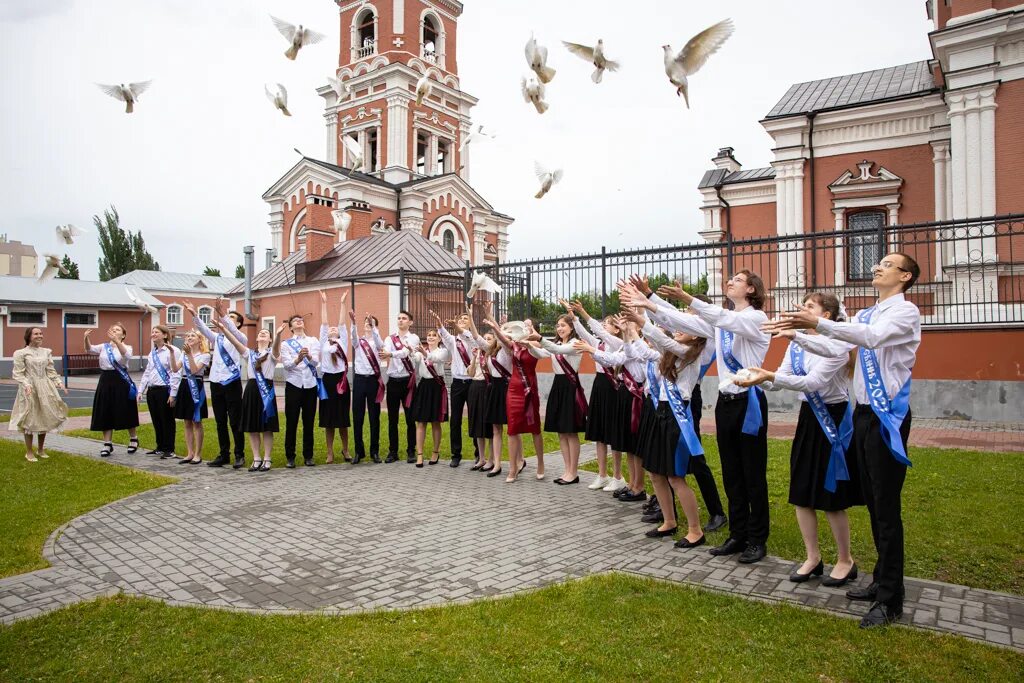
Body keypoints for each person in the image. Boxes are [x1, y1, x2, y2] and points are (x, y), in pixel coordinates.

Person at [774, 253, 921, 629]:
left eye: (887, 264)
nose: (877, 266)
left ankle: (891, 600)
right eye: (879, 262)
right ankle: (881, 582)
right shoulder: (868, 314)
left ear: (904, 276)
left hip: (887, 418)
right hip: (864, 417)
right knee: (873, 504)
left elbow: (869, 339)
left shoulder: (904, 313)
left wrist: (820, 322)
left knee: (886, 509)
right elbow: (837, 349)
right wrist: (801, 335)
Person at [621, 270, 771, 564]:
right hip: (727, 402)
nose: (730, 282)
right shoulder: (720, 320)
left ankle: (757, 538)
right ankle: (738, 534)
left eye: (737, 280)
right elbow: (683, 322)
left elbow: (722, 319)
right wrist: (650, 300)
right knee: (731, 472)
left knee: (752, 474)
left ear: (752, 289)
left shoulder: (755, 318)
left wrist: (687, 298)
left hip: (749, 402)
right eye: (731, 279)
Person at [738, 291, 862, 586]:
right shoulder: (795, 346)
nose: (802, 309)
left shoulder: (837, 345)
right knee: (802, 492)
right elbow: (781, 377)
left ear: (827, 316)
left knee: (832, 497)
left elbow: (813, 382)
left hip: (833, 419)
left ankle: (846, 560)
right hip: (809, 419)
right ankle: (813, 557)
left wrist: (769, 376)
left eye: (809, 306)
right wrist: (757, 378)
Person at [627, 282, 727, 532]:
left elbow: (668, 334)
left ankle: (715, 511)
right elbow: (666, 326)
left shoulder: (707, 338)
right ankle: (667, 511)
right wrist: (645, 301)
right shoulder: (680, 339)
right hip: (664, 402)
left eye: (688, 319)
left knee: (691, 460)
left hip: (685, 402)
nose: (680, 324)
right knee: (661, 464)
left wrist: (644, 314)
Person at [621, 308, 707, 548]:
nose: (679, 330)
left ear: (697, 336)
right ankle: (669, 520)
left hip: (677, 417)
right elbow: (649, 349)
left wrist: (641, 320)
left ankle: (695, 530)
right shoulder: (669, 353)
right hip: (661, 412)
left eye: (686, 328)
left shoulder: (690, 353)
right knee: (655, 472)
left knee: (675, 476)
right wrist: (632, 330)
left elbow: (664, 340)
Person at [563, 300, 626, 492]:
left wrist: (583, 311)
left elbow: (599, 331)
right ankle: (602, 475)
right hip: (599, 385)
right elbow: (584, 333)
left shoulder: (618, 343)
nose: (605, 326)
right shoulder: (598, 343)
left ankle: (618, 476)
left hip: (613, 388)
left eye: (608, 323)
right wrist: (574, 316)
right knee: (599, 433)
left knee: (613, 433)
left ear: (616, 330)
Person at [184, 299, 246, 469]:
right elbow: (202, 329)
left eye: (233, 317)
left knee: (235, 420)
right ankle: (223, 454)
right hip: (216, 382)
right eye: (229, 316)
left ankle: (239, 454)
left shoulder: (241, 337)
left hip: (232, 382)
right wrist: (194, 314)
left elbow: (232, 330)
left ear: (239, 323)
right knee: (220, 421)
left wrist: (223, 314)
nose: (229, 318)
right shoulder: (217, 338)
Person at [220, 318, 286, 472]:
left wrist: (277, 335)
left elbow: (276, 349)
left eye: (266, 333)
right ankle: (256, 458)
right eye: (261, 333)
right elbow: (236, 343)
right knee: (252, 426)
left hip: (266, 390)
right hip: (251, 389)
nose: (263, 334)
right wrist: (224, 329)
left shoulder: (272, 353)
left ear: (269, 339)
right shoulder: (249, 353)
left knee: (267, 426)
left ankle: (267, 459)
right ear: (256, 338)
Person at [528, 314, 587, 485]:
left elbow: (558, 351)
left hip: (570, 387)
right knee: (561, 431)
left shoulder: (575, 343)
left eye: (563, 325)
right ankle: (567, 470)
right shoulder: (558, 344)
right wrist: (528, 346)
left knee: (571, 430)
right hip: (558, 385)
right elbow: (541, 353)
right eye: (557, 325)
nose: (559, 328)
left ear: (571, 327)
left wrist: (539, 338)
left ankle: (574, 472)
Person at [483, 314, 540, 483]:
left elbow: (545, 350)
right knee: (511, 428)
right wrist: (495, 324)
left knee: (530, 426)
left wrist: (532, 337)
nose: (525, 328)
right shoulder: (512, 345)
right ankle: (510, 467)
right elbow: (501, 338)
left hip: (528, 386)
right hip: (512, 389)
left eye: (529, 325)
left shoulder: (535, 345)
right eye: (524, 325)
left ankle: (534, 463)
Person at [10, 327, 69, 461]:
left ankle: (41, 449)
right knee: (30, 418)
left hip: (45, 387)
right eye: (36, 334)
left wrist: (59, 383)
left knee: (44, 416)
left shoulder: (46, 352)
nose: (39, 336)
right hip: (29, 388)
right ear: (29, 336)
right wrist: (26, 384)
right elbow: (18, 373)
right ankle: (29, 451)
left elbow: (50, 370)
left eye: (41, 333)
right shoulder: (21, 353)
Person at [466, 304, 510, 477]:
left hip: (505, 388)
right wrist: (471, 317)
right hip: (493, 389)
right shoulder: (489, 351)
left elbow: (503, 339)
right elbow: (476, 336)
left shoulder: (507, 350)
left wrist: (493, 320)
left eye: (498, 334)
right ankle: (495, 463)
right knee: (495, 428)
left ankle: (515, 461)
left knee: (510, 428)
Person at [85, 323, 139, 458]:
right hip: (105, 380)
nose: (114, 331)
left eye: (118, 330)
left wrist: (116, 342)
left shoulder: (127, 347)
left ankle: (133, 438)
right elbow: (89, 349)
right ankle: (107, 443)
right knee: (105, 409)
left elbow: (125, 356)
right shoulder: (104, 347)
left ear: (123, 335)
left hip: (121, 380)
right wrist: (86, 338)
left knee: (125, 409)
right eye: (113, 329)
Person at [279, 312, 323, 468]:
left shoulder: (313, 341)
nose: (299, 322)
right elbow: (287, 365)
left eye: (300, 320)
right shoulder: (286, 344)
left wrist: (309, 356)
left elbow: (317, 362)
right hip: (294, 385)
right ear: (291, 327)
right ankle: (290, 457)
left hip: (310, 385)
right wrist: (298, 358)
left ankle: (308, 456)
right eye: (295, 321)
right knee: (291, 422)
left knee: (309, 422)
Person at [438, 311, 480, 467]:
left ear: (470, 323)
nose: (462, 320)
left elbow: (467, 337)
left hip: (472, 382)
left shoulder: (472, 338)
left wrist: (456, 327)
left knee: (474, 417)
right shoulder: (453, 341)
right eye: (460, 319)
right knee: (455, 419)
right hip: (457, 383)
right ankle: (456, 454)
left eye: (465, 318)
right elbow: (443, 334)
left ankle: (479, 453)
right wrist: (439, 323)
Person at [411, 315, 452, 467]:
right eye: (428, 335)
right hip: (424, 386)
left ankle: (435, 452)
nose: (431, 337)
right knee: (421, 422)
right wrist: (411, 351)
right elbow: (414, 359)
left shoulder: (443, 351)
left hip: (437, 386)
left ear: (439, 339)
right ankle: (420, 454)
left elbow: (435, 359)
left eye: (434, 335)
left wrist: (424, 352)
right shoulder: (421, 352)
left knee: (436, 422)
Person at [380, 310, 420, 463]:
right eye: (399, 318)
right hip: (393, 381)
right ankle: (393, 451)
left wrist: (391, 354)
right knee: (392, 419)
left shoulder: (414, 338)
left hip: (408, 382)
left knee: (410, 418)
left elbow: (404, 353)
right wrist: (389, 354)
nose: (401, 320)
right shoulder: (389, 338)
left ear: (410, 322)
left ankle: (411, 451)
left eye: (404, 318)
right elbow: (386, 351)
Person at [137, 325, 180, 459]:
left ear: (165, 335)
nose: (153, 334)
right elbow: (147, 373)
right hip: (152, 390)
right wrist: (141, 390)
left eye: (157, 332)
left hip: (165, 390)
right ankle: (160, 446)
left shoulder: (173, 350)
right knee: (156, 419)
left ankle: (169, 449)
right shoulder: (152, 353)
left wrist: (173, 393)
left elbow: (176, 373)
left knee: (167, 420)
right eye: (152, 332)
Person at [318, 290, 351, 464]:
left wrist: (342, 303)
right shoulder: (323, 341)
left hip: (341, 380)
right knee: (328, 419)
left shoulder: (342, 341)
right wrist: (323, 302)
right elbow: (324, 322)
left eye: (335, 329)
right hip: (327, 381)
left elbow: (342, 322)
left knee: (343, 418)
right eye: (330, 329)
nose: (332, 328)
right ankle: (329, 452)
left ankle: (345, 450)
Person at [169, 330, 211, 464]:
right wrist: (171, 353)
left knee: (196, 421)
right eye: (187, 336)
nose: (189, 338)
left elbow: (194, 370)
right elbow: (175, 369)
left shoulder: (205, 355)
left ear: (200, 340)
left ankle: (198, 454)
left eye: (192, 336)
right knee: (186, 421)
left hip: (196, 386)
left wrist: (189, 355)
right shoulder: (183, 354)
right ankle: (189, 452)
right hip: (185, 385)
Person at [350, 311, 385, 464]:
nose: (368, 325)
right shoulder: (359, 341)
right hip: (359, 380)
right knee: (358, 417)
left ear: (375, 326)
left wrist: (374, 327)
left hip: (373, 380)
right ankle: (359, 451)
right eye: (366, 323)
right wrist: (353, 323)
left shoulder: (378, 341)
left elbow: (379, 344)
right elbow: (353, 339)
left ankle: (374, 451)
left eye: (371, 323)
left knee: (374, 417)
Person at [465, 335, 493, 471]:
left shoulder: (493, 355)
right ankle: (481, 458)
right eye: (485, 338)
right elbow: (470, 374)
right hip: (474, 388)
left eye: (489, 339)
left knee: (488, 425)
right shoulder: (477, 354)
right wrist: (475, 358)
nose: (486, 341)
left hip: (487, 388)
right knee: (477, 424)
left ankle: (492, 459)